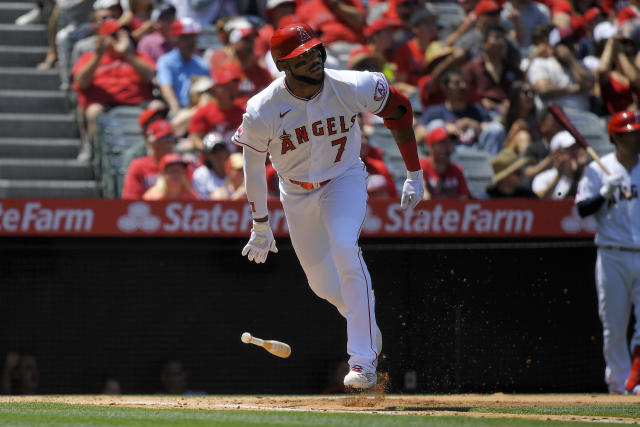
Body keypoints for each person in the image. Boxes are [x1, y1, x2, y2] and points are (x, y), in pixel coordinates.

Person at [233, 23, 424, 389]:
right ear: (282, 65)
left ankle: (363, 362)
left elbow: (399, 109)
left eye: (315, 50)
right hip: (295, 192)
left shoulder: (354, 85)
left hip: (344, 178)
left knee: (344, 246)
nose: (313, 58)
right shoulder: (262, 108)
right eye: (301, 56)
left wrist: (414, 172)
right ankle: (361, 317)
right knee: (322, 285)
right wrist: (260, 223)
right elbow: (253, 168)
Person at [575, 110, 640, 395]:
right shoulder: (598, 169)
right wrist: (605, 192)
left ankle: (635, 381)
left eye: (637, 133)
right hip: (612, 253)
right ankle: (618, 384)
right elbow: (581, 209)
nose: (635, 138)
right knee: (613, 325)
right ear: (615, 137)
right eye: (629, 134)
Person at [71, 18, 155, 161]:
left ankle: (151, 153)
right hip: (105, 104)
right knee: (93, 111)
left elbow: (149, 76)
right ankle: (95, 153)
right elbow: (81, 82)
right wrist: (98, 55)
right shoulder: (89, 57)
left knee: (157, 107)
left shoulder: (137, 56)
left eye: (119, 35)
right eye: (112, 35)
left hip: (137, 102)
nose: (116, 39)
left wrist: (127, 54)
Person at [417, 69, 505, 155]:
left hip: (476, 154)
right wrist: (445, 129)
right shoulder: (435, 111)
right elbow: (418, 136)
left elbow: (492, 129)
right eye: (457, 83)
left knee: (496, 128)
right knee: (436, 124)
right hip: (449, 156)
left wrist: (475, 125)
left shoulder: (477, 110)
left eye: (464, 82)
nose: (462, 86)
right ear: (445, 87)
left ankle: (491, 168)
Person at [527, 25, 593, 111]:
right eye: (566, 43)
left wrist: (571, 61)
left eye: (573, 41)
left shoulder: (580, 64)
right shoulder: (541, 63)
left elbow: (589, 84)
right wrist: (574, 89)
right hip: (558, 118)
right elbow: (544, 89)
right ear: (554, 46)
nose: (572, 46)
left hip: (585, 117)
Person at [462, 25, 523, 116]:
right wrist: (480, 101)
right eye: (496, 38)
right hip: (480, 113)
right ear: (484, 44)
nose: (501, 43)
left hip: (508, 114)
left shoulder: (514, 70)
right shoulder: (471, 68)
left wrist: (512, 103)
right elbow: (464, 92)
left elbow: (522, 91)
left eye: (503, 39)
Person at [157, 17, 210, 116]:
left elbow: (208, 92)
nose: (191, 42)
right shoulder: (166, 62)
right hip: (177, 110)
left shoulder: (202, 64)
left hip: (198, 112)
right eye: (186, 38)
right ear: (176, 39)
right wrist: (175, 108)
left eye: (193, 37)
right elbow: (166, 87)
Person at [188, 64, 244, 151]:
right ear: (215, 90)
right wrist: (211, 154)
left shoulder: (243, 112)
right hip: (214, 162)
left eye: (233, 86)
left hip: (239, 161)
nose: (232, 90)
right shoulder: (203, 112)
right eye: (227, 87)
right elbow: (195, 138)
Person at [122, 119, 176, 199]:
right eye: (164, 138)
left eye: (170, 137)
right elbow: (130, 198)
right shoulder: (138, 166)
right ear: (151, 142)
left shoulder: (181, 165)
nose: (169, 142)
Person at [531, 130, 587, 199]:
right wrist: (558, 176)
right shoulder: (542, 178)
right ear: (557, 154)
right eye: (569, 149)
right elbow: (539, 201)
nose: (575, 152)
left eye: (576, 147)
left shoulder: (586, 175)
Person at [420, 127, 471, 199]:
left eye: (450, 142)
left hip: (453, 209)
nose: (447, 147)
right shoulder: (421, 167)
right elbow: (422, 196)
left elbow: (464, 199)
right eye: (442, 143)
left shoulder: (457, 170)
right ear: (431, 146)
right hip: (427, 210)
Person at [192, 131, 230, 199]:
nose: (219, 154)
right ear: (206, 155)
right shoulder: (200, 174)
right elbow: (201, 203)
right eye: (214, 150)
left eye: (221, 148)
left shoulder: (237, 171)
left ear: (227, 151)